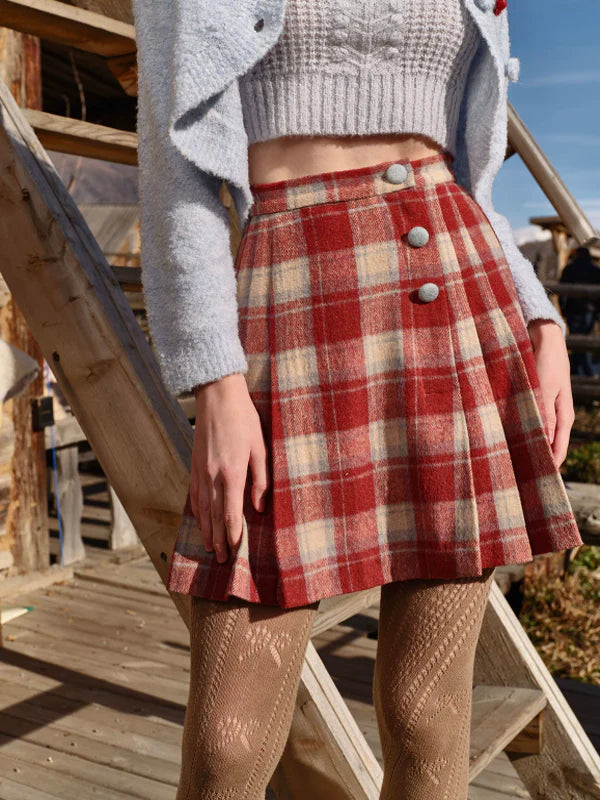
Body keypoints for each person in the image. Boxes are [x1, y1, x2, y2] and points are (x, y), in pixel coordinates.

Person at [132, 1, 583, 798]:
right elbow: (179, 165)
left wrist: (540, 317)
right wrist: (216, 379)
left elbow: (468, 167)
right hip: (287, 298)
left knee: (427, 716)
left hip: (455, 291)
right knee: (229, 748)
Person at [559, 245, 600, 376]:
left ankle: (577, 373)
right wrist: (597, 312)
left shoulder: (569, 269)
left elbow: (561, 292)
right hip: (589, 311)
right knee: (584, 342)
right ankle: (585, 374)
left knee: (576, 343)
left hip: (572, 310)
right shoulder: (595, 270)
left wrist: (563, 309)